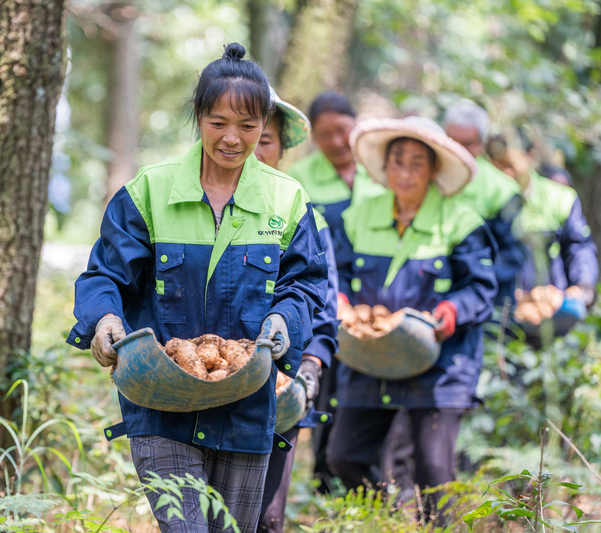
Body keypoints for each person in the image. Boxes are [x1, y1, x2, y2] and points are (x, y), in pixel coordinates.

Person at [66, 43, 328, 533]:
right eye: (218, 123)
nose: (232, 138)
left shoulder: (287, 200)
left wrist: (281, 323)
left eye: (248, 127)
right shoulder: (148, 191)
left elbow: (306, 287)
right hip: (161, 399)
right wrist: (104, 320)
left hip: (248, 405)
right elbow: (104, 276)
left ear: (265, 124)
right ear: (198, 116)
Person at [326, 116, 497, 523]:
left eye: (417, 163)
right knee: (343, 456)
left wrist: (449, 312)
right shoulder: (357, 215)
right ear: (384, 167)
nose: (404, 173)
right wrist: (342, 302)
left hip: (440, 364)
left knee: (435, 474)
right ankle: (392, 521)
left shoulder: (461, 221)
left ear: (434, 169)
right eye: (397, 161)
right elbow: (336, 274)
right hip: (371, 357)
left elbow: (480, 288)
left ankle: (438, 527)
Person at [288, 91, 385, 493]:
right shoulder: (301, 179)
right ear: (314, 137)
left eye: (343, 131)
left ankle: (377, 479)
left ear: (356, 126)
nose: (337, 142)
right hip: (328, 301)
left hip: (378, 305)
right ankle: (325, 479)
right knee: (326, 389)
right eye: (325, 134)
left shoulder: (381, 171)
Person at [253, 89, 339, 533]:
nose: (251, 147)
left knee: (267, 516)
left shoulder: (303, 213)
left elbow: (323, 303)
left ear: (282, 150)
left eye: (264, 139)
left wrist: (310, 366)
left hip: (280, 383)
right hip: (207, 385)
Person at [443, 99, 526, 306]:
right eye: (452, 140)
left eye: (467, 143)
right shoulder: (428, 180)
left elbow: (513, 253)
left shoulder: (502, 190)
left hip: (484, 298)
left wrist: (473, 284)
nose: (458, 150)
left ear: (481, 144)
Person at [516, 168, 598, 306]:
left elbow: (580, 248)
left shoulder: (566, 202)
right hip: (518, 302)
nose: (560, 191)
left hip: (557, 301)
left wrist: (582, 286)